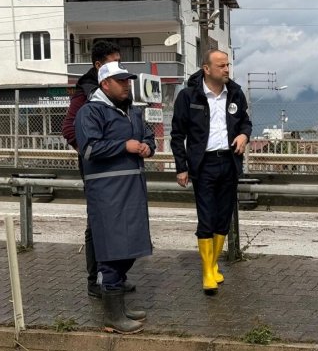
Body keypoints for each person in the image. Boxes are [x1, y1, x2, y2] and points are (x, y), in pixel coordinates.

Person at [75, 61, 154, 334]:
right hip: (107, 193)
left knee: (131, 248)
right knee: (111, 251)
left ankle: (119, 307)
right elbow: (89, 149)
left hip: (132, 190)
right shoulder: (90, 112)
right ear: (105, 84)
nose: (126, 85)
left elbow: (148, 136)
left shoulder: (133, 111)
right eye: (121, 81)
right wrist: (124, 146)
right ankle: (113, 314)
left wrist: (148, 147)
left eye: (127, 80)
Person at [170, 49, 252, 295]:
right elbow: (177, 134)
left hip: (229, 162)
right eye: (221, 66)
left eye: (227, 65)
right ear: (206, 69)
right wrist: (181, 167)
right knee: (206, 218)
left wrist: (243, 135)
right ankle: (207, 271)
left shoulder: (235, 93)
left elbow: (245, 121)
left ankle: (213, 263)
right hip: (203, 165)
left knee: (223, 218)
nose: (227, 69)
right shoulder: (188, 96)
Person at [62, 40, 132, 300]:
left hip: (120, 169)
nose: (119, 66)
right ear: (98, 65)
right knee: (97, 223)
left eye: (120, 61)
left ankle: (115, 276)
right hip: (98, 171)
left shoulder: (119, 90)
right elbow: (69, 129)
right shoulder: (85, 94)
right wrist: (91, 152)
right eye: (113, 62)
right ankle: (95, 280)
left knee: (120, 221)